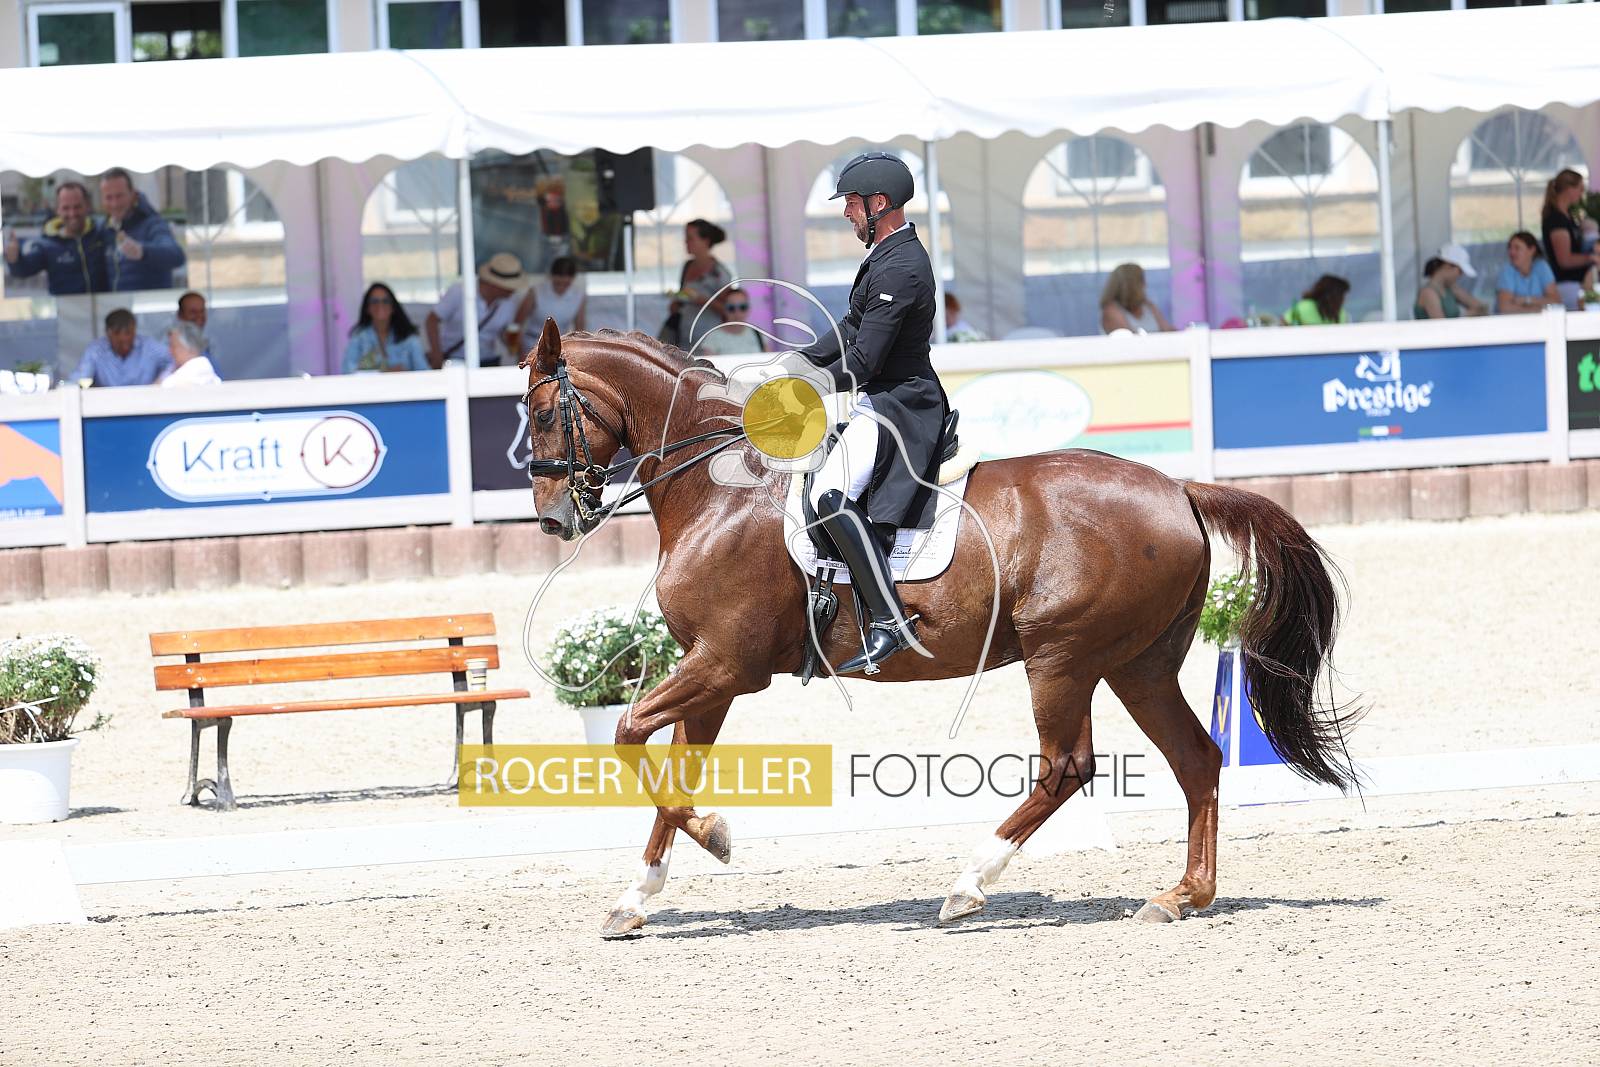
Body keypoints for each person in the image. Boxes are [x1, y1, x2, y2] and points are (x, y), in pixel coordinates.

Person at [799, 151, 947, 676]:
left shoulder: (902, 267)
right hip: (882, 397)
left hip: (901, 405)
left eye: (851, 204)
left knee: (828, 495)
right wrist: (798, 361)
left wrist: (803, 390)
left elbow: (864, 361)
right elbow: (851, 326)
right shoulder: (886, 255)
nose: (846, 213)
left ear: (878, 203)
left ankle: (890, 620)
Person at [425, 253, 535, 368]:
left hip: (487, 361)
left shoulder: (510, 302)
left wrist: (513, 345)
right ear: (495, 284)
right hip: (453, 360)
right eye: (510, 287)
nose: (513, 290)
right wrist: (436, 354)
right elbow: (432, 320)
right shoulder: (459, 292)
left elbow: (504, 332)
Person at [3, 182, 111, 295]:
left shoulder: (101, 232)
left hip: (104, 305)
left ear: (87, 206)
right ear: (58, 210)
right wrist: (14, 258)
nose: (72, 213)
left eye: (77, 206)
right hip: (65, 306)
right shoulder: (47, 244)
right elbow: (23, 270)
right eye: (66, 208)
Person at [100, 168, 186, 292]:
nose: (115, 204)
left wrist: (143, 252)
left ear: (133, 194)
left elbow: (176, 255)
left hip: (150, 302)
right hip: (116, 303)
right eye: (109, 197)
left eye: (119, 196)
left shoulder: (152, 223)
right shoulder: (104, 229)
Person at [661, 219, 733, 349]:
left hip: (709, 343)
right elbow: (683, 296)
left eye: (690, 238)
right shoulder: (688, 266)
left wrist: (704, 301)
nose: (685, 242)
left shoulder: (719, 274)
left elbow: (729, 311)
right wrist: (677, 302)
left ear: (705, 241)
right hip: (684, 338)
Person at [1540, 169, 1599, 311]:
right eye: (1580, 189)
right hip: (1568, 285)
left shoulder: (1567, 217)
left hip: (1579, 283)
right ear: (1569, 189)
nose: (1581, 193)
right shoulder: (1556, 220)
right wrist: (1591, 258)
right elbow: (1565, 260)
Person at [70, 308, 173, 387]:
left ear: (135, 330)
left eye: (128, 333)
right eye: (117, 333)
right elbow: (80, 378)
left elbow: (175, 362)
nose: (123, 338)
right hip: (107, 404)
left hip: (147, 403)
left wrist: (160, 382)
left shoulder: (149, 347)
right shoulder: (96, 350)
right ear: (108, 333)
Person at [343, 283, 428, 373]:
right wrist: (385, 372)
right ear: (367, 308)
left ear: (393, 307)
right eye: (374, 301)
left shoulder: (409, 338)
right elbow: (347, 370)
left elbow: (424, 372)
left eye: (385, 301)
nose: (380, 305)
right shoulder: (358, 338)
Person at [1414, 246, 1488, 319]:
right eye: (1460, 271)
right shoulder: (1428, 293)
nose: (1460, 275)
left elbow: (1481, 307)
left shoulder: (1451, 288)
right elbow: (1441, 325)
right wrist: (1466, 315)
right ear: (1448, 265)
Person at [1496, 231, 1561, 315]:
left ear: (1532, 250)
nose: (1511, 252)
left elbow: (1556, 301)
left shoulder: (1542, 267)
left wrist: (1526, 300)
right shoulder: (1507, 271)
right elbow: (1505, 308)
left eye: (1517, 248)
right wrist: (1539, 308)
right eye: (1510, 248)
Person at [1100, 264, 1174, 334]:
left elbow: (1167, 330)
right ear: (1130, 285)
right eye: (1141, 280)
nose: (1145, 284)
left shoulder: (1148, 306)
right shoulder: (1111, 311)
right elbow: (1127, 338)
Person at [697, 287, 765, 355]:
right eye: (731, 308)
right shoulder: (713, 338)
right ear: (724, 309)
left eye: (743, 307)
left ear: (749, 308)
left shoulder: (758, 334)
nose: (737, 313)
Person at [530, 256, 587, 334]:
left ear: (573, 279)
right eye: (558, 283)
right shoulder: (536, 291)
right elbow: (518, 323)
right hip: (533, 338)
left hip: (561, 340)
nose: (561, 287)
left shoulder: (578, 295)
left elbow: (580, 329)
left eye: (566, 284)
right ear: (551, 276)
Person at [160, 320, 221, 387]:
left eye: (174, 347)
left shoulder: (199, 370)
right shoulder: (173, 368)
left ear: (191, 349)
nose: (170, 351)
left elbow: (166, 385)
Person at [1283, 275, 1351, 325]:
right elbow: (1284, 325)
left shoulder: (1341, 313)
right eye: (1343, 295)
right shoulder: (1302, 307)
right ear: (1335, 295)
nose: (1345, 299)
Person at [175, 290, 217, 360]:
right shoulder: (173, 340)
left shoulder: (209, 338)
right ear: (180, 314)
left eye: (202, 311)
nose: (199, 316)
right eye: (193, 312)